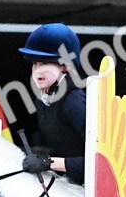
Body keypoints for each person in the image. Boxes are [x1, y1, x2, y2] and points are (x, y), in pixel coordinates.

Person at [19, 23, 86, 185]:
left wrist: (47, 163)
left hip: (106, 183)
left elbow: (102, 159)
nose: (37, 71)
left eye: (44, 64)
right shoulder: (43, 100)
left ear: (64, 67)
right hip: (74, 182)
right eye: (35, 64)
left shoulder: (74, 101)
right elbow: (65, 147)